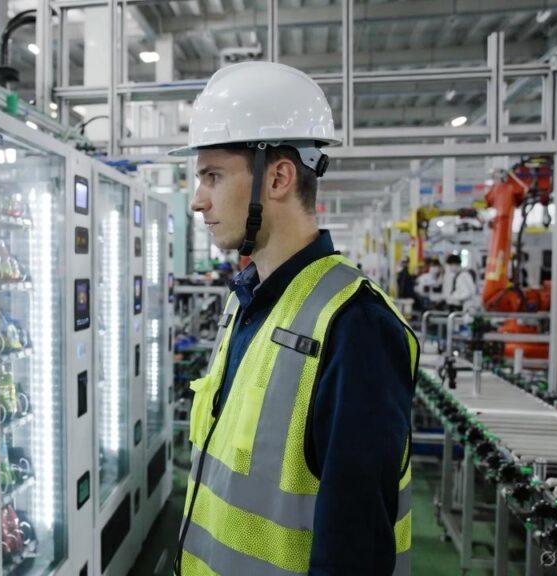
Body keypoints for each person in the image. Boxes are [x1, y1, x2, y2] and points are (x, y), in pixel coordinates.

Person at [172, 60, 417, 576]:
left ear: (279, 177)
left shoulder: (355, 326)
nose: (198, 200)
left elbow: (354, 552)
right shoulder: (244, 300)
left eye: (213, 176)